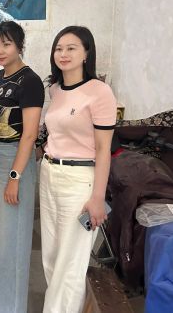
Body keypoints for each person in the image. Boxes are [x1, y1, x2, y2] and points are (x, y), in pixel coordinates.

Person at [40, 26, 116, 313]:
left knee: (71, 261)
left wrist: (97, 197)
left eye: (71, 48)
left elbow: (103, 149)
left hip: (80, 180)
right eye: (59, 48)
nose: (63, 53)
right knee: (51, 256)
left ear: (86, 54)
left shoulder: (100, 92)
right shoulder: (55, 89)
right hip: (49, 173)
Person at [0, 21, 44, 312]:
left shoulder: (31, 81)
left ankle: (8, 306)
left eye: (6, 44)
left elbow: (29, 134)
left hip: (16, 159)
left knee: (12, 235)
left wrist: (15, 176)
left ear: (20, 46)